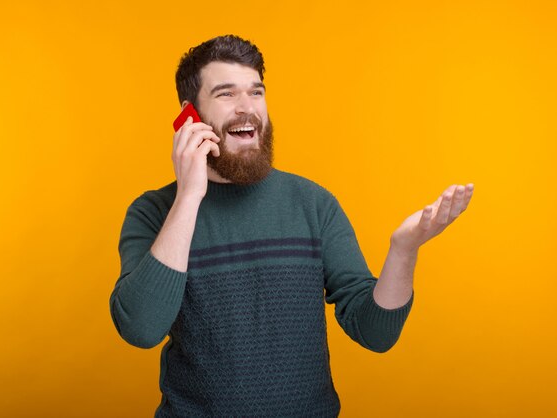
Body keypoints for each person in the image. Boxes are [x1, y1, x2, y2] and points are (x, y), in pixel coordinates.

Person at [109, 34, 473, 417]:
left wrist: (404, 250)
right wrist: (188, 197)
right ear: (190, 115)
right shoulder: (153, 212)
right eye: (226, 94)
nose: (247, 108)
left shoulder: (313, 204)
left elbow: (376, 333)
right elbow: (140, 329)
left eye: (256, 92)